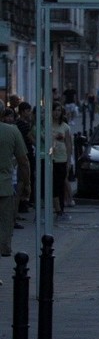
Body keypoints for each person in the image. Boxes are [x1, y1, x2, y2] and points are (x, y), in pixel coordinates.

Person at [0, 109, 30, 257]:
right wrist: (27, 183)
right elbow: (23, 161)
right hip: (4, 185)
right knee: (6, 220)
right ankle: (4, 247)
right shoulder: (12, 131)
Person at [51, 103, 72, 220]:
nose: (57, 113)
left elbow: (69, 144)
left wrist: (69, 160)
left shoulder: (65, 127)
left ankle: (61, 209)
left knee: (61, 184)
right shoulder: (48, 125)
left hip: (62, 158)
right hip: (51, 158)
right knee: (53, 185)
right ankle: (57, 209)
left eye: (59, 110)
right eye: (55, 110)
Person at [15, 102, 35, 214]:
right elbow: (30, 137)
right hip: (24, 153)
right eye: (27, 111)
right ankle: (22, 203)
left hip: (27, 152)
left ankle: (24, 202)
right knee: (23, 179)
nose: (29, 113)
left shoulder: (25, 123)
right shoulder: (21, 124)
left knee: (26, 177)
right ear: (22, 111)